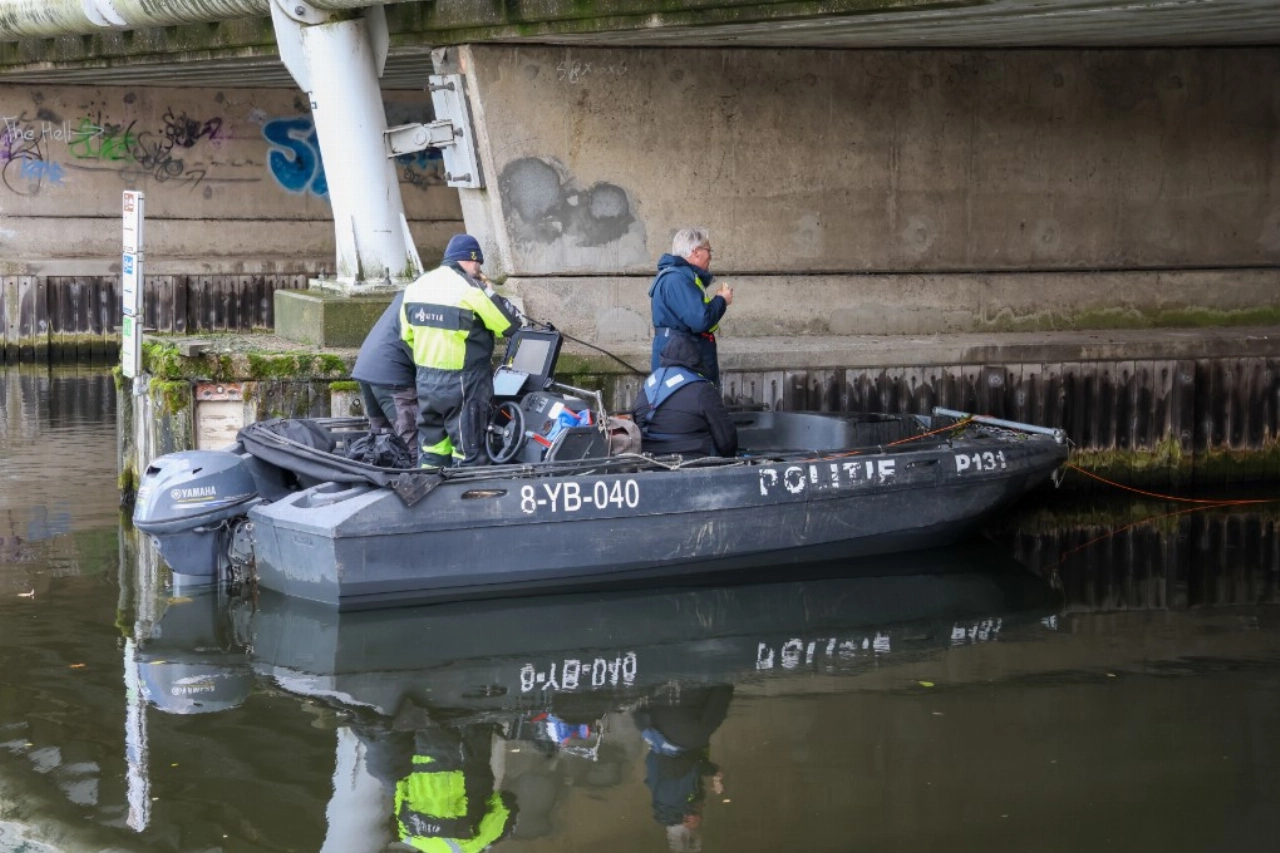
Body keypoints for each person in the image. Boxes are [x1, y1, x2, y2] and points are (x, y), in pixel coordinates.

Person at [400, 234, 522, 468]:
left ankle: (429, 497)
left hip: (426, 382)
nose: (478, 270)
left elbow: (407, 336)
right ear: (471, 260)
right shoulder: (471, 289)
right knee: (469, 452)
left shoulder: (415, 287)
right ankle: (469, 500)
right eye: (479, 264)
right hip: (465, 384)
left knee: (432, 449)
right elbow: (509, 325)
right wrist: (490, 292)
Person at [649, 227, 733, 387]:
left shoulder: (679, 277)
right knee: (687, 406)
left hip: (683, 355)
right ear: (696, 252)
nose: (711, 256)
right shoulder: (676, 279)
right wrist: (721, 300)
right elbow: (701, 319)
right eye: (709, 250)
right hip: (680, 359)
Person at [633, 335, 738, 458]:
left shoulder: (645, 390)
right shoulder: (703, 390)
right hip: (694, 467)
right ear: (696, 360)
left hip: (649, 466)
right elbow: (727, 442)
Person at [351, 291, 418, 459]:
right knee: (413, 445)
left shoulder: (409, 293)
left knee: (381, 439)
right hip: (393, 377)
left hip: (367, 368)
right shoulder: (435, 297)